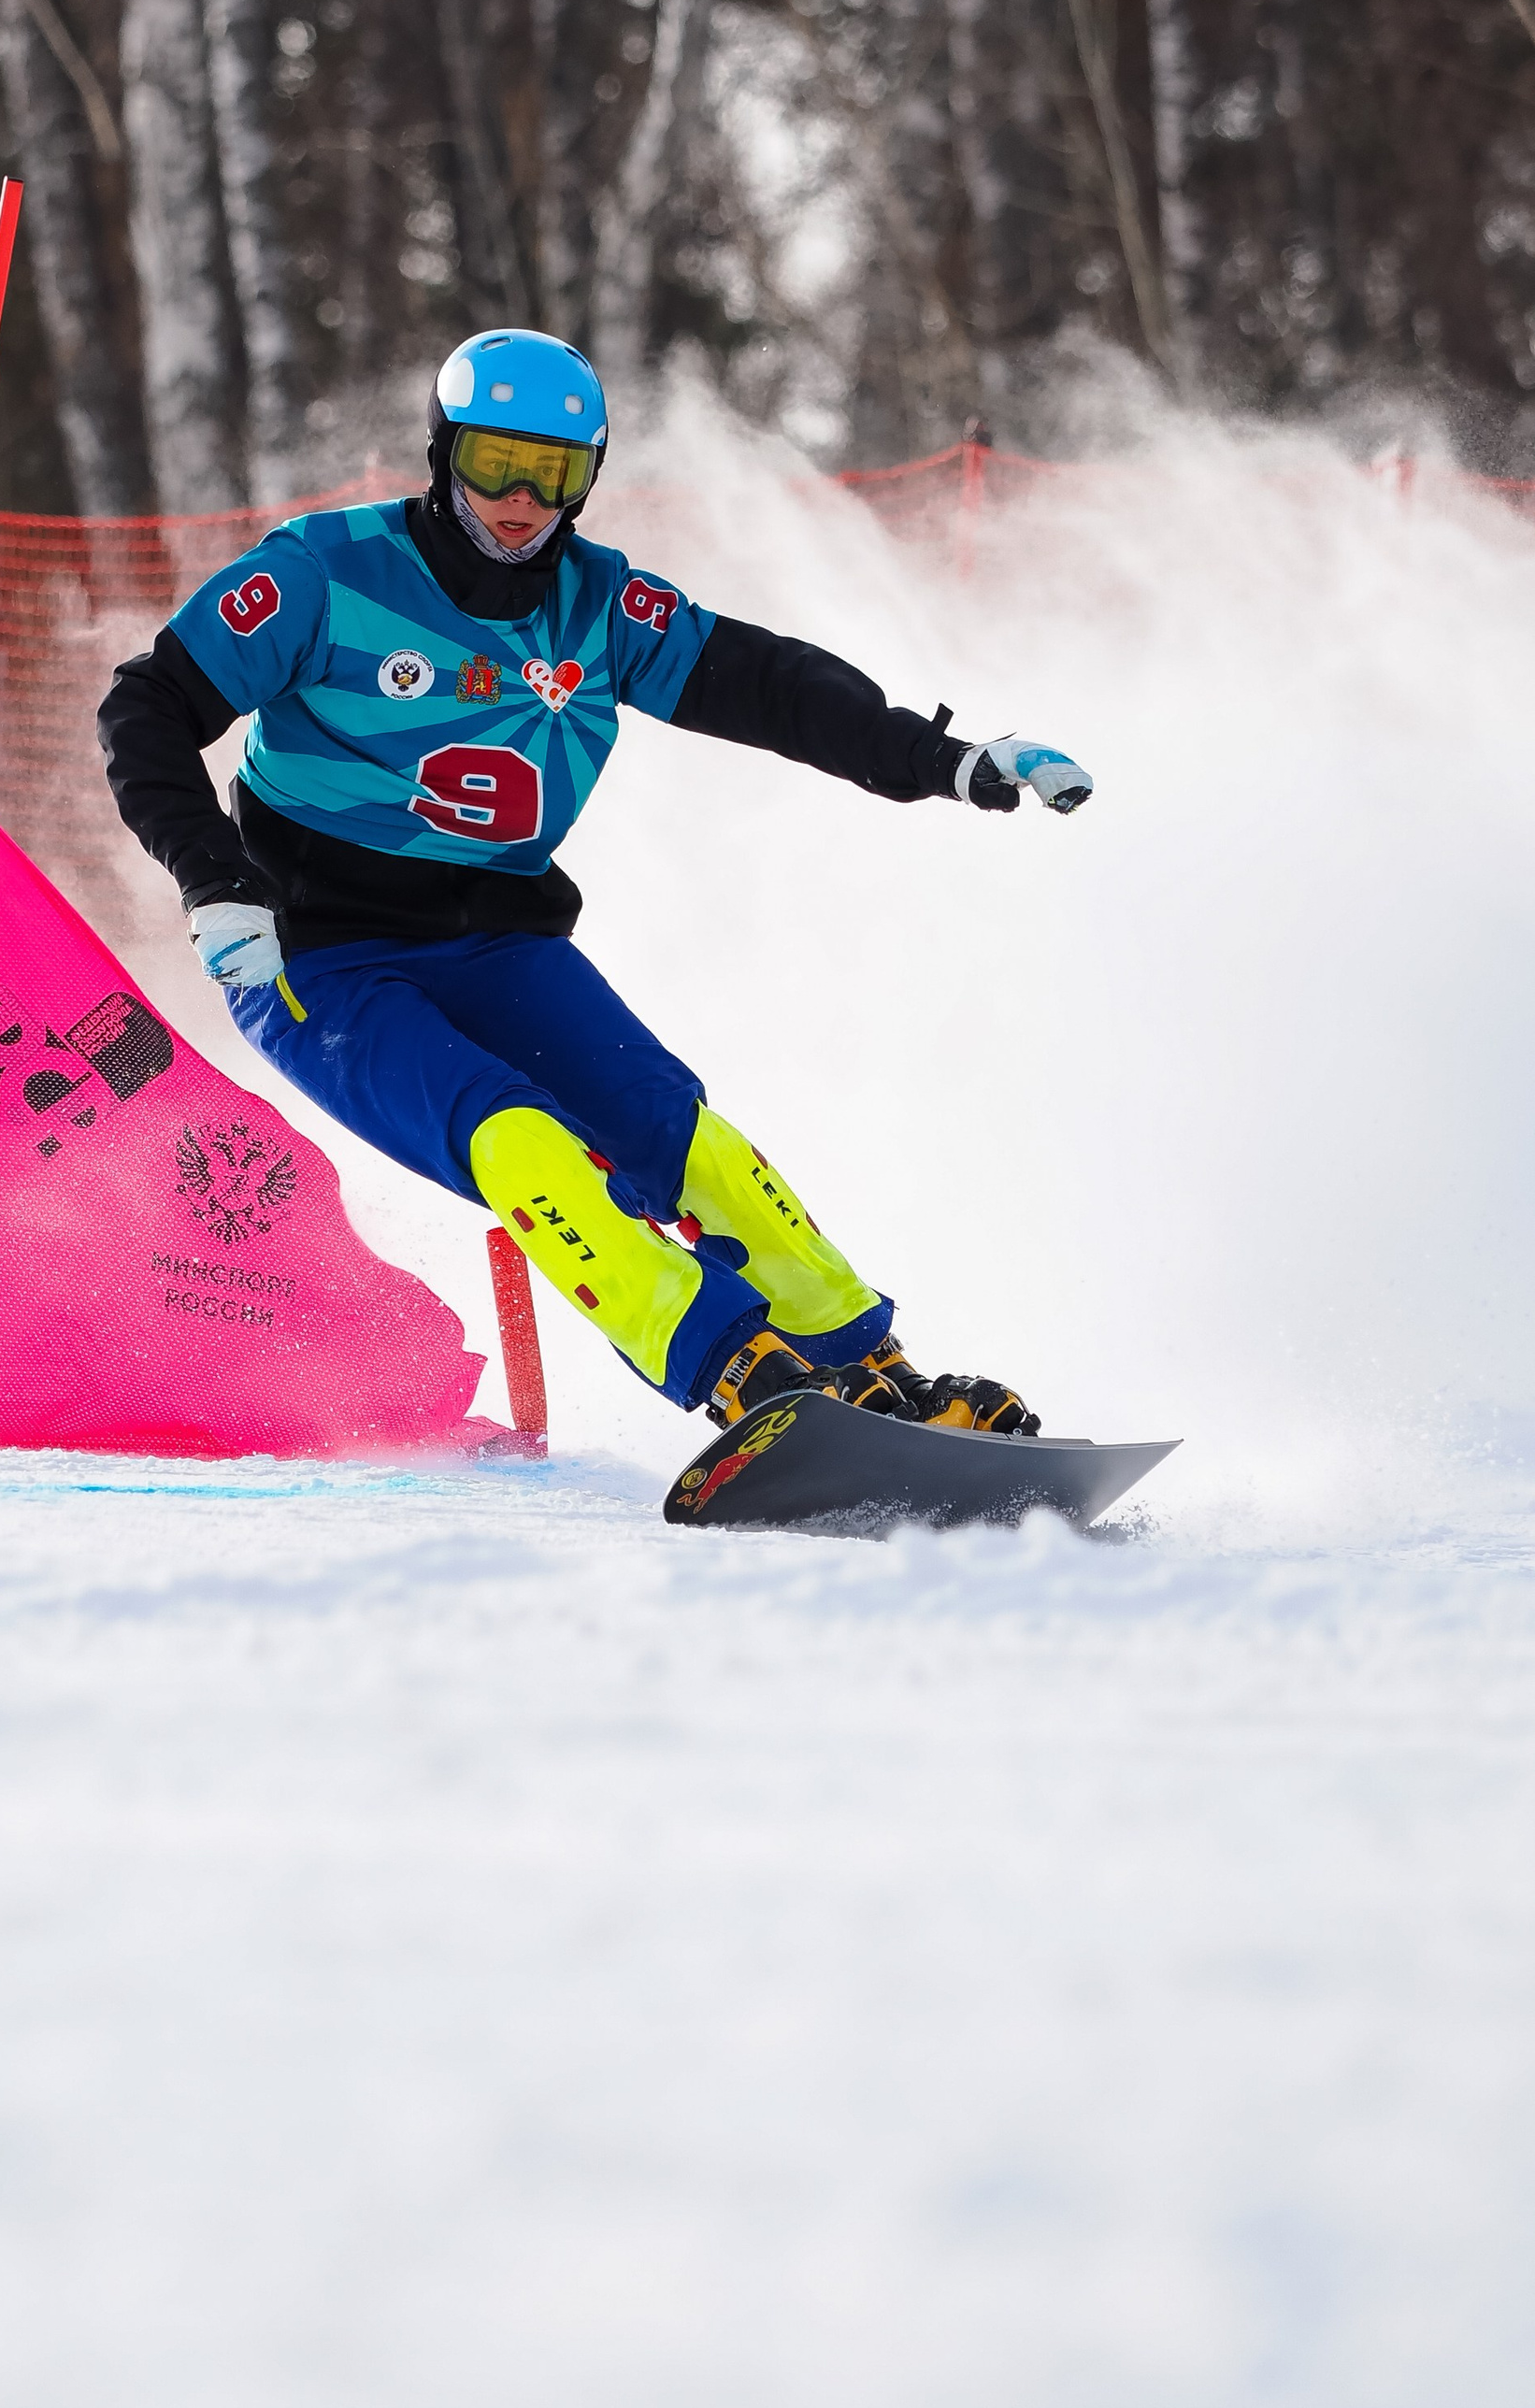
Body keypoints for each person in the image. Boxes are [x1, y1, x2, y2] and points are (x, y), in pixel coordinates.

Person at [97, 329, 1093, 1518]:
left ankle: (869, 1373)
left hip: (497, 940)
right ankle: (730, 1369)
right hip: (315, 951)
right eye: (495, 464)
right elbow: (147, 704)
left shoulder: (599, 605)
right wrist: (215, 880)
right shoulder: (323, 572)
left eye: (555, 475)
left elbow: (771, 685)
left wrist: (950, 760)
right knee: (519, 1142)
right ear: (440, 450)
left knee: (681, 1137)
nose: (521, 503)